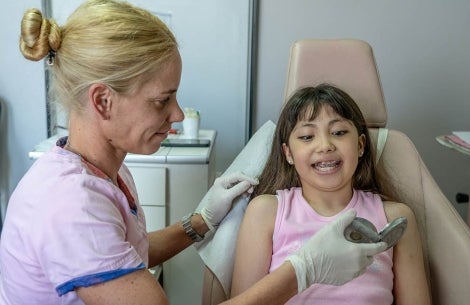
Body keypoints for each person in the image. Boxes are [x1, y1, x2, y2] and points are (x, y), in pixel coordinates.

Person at [0, 1, 387, 304]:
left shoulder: (103, 169)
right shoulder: (71, 206)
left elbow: (123, 254)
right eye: (161, 100)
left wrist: (200, 221)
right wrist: (304, 269)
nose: (177, 113)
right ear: (103, 101)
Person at [231, 84, 431, 305]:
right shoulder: (266, 212)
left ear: (360, 145)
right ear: (288, 153)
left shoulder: (394, 219)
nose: (325, 145)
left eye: (338, 132)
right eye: (307, 136)